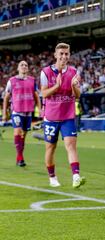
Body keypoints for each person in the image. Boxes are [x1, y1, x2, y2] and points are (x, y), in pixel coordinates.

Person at [40, 43, 85, 188]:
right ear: (55, 55)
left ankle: (76, 176)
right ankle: (52, 177)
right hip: (51, 117)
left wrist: (73, 86)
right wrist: (57, 87)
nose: (64, 56)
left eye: (66, 54)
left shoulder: (73, 72)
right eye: (61, 54)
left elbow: (78, 96)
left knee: (71, 146)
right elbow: (44, 94)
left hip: (68, 116)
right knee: (50, 148)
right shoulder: (45, 72)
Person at [2, 61, 41, 167]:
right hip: (17, 112)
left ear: (27, 69)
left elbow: (36, 95)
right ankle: (20, 158)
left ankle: (19, 156)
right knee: (18, 132)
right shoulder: (12, 81)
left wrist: (40, 108)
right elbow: (6, 98)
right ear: (18, 68)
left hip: (28, 113)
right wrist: (5, 113)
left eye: (26, 65)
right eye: (22, 65)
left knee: (23, 135)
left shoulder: (32, 81)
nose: (24, 67)